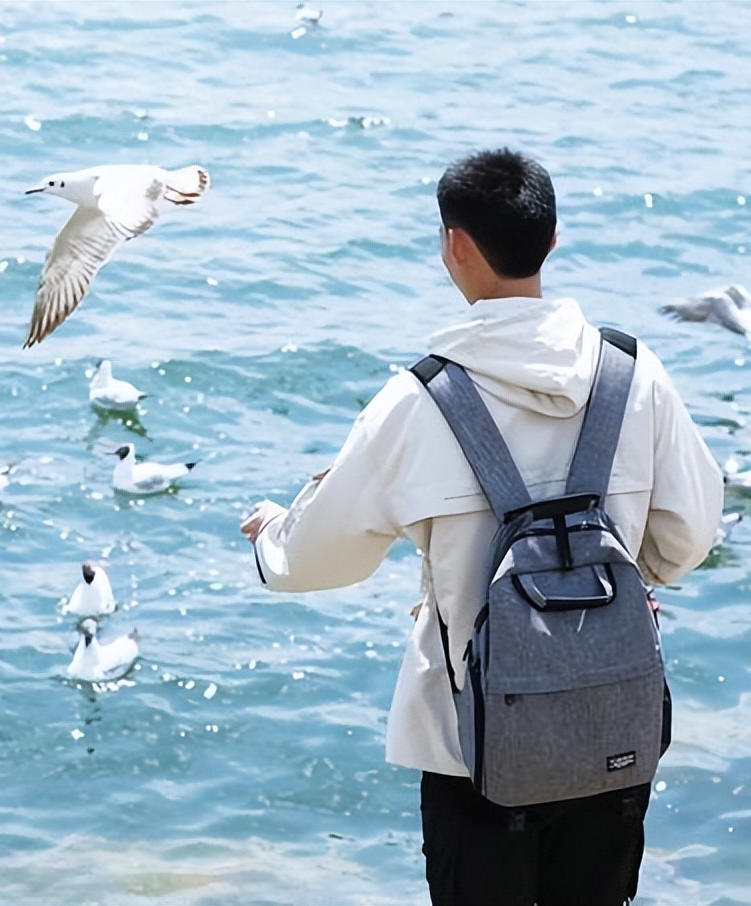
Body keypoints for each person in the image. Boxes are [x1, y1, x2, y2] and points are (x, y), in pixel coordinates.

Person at [239, 148, 723, 905]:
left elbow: (314, 560)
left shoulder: (421, 399)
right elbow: (692, 533)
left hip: (476, 751)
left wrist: (274, 533)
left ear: (454, 245)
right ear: (552, 241)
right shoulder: (633, 374)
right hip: (611, 735)